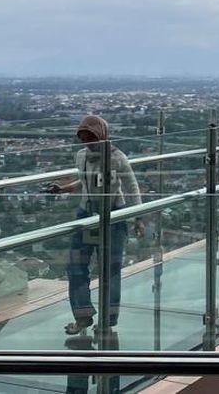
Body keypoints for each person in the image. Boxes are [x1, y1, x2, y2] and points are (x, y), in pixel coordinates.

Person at [47, 115, 143, 335]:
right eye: (84, 138)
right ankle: (83, 315)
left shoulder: (118, 158)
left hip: (113, 216)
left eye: (91, 137)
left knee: (110, 270)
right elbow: (86, 180)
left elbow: (131, 185)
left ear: (102, 135)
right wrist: (65, 188)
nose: (88, 142)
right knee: (75, 266)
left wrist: (138, 217)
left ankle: (108, 321)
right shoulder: (81, 156)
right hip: (86, 215)